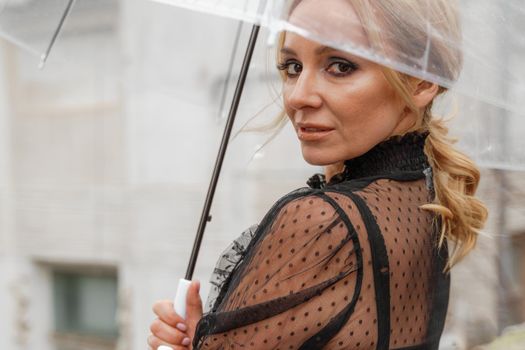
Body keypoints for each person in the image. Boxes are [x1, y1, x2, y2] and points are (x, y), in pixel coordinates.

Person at [147, 0, 488, 349]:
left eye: (340, 66)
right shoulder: (422, 198)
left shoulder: (325, 222)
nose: (298, 96)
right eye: (292, 66)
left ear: (420, 82)